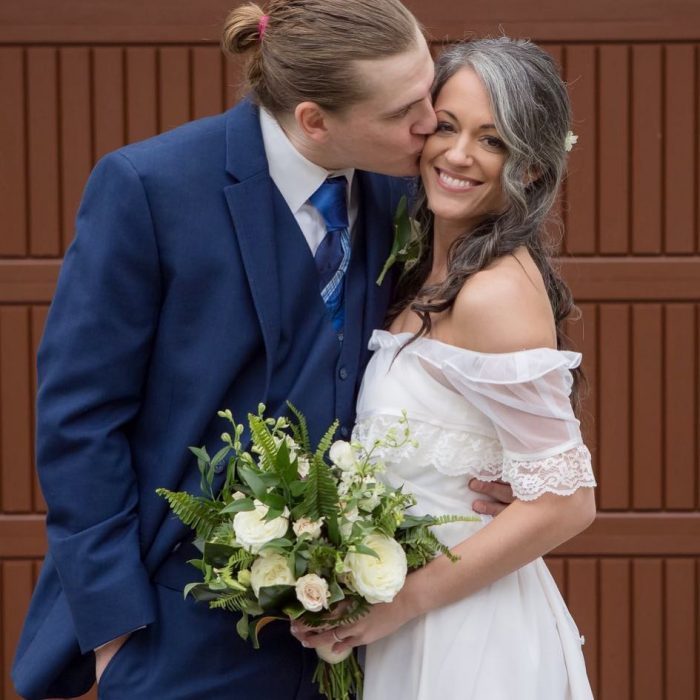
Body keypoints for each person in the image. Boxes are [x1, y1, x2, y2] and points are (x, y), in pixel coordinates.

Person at [12, 3, 513, 699]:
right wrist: (115, 632)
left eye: (429, 90)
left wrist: (506, 455)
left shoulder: (412, 188)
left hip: (371, 627)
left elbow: (481, 331)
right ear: (315, 120)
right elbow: (79, 419)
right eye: (405, 111)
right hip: (176, 619)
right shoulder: (149, 189)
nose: (431, 124)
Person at [292, 37, 597, 699]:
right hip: (412, 623)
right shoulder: (423, 270)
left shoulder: (495, 293)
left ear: (532, 168)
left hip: (469, 639)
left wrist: (399, 604)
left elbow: (567, 501)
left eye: (492, 140)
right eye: (447, 127)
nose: (458, 156)